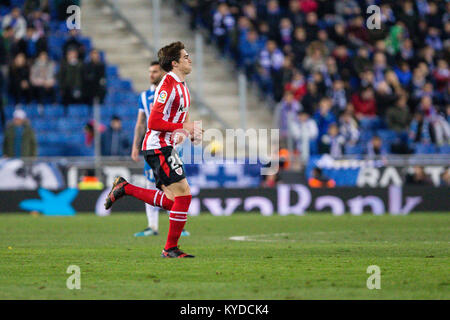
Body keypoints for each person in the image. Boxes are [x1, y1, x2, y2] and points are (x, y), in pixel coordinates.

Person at [104, 41, 201, 258]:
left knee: (173, 201)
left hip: (166, 146)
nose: (189, 59)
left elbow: (176, 121)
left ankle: (125, 188)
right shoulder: (167, 85)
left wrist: (189, 133)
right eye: (185, 56)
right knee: (184, 196)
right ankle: (170, 249)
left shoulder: (182, 86)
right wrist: (183, 127)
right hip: (157, 146)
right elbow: (154, 122)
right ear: (175, 63)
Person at [131, 61, 189, 238]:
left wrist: (184, 132)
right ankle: (152, 226)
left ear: (162, 73)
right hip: (154, 147)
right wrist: (135, 146)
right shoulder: (144, 96)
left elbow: (183, 115)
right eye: (150, 72)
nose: (151, 75)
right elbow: (141, 123)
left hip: (172, 146)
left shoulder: (171, 92)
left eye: (155, 71)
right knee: (152, 184)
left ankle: (178, 222)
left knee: (176, 186)